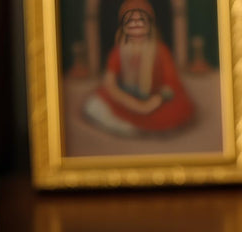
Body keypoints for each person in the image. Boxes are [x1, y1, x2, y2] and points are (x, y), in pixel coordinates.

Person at [83, 0, 194, 136]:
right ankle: (133, 126)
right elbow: (110, 83)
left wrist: (152, 103)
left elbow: (170, 83)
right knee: (94, 105)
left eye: (141, 20)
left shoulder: (160, 50)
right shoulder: (118, 51)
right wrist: (134, 105)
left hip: (154, 98)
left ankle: (138, 126)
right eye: (130, 21)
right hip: (127, 98)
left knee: (178, 108)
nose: (136, 24)